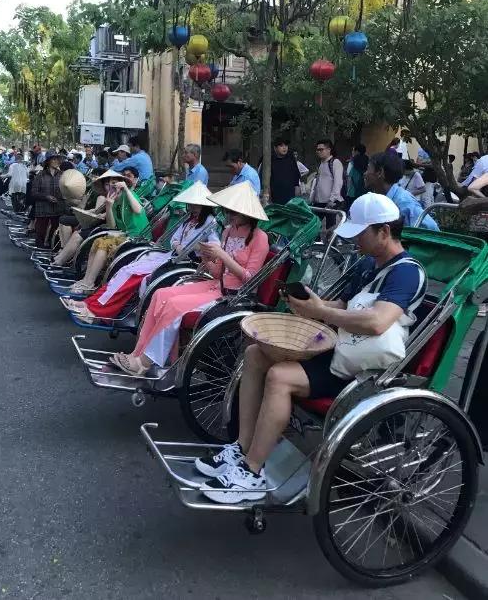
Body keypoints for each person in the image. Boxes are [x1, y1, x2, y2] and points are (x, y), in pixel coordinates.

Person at [196, 193, 427, 502]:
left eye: (361, 233)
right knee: (254, 354)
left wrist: (322, 312)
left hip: (363, 369)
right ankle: (243, 446)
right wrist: (309, 305)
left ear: (383, 232)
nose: (355, 240)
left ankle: (252, 470)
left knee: (280, 376)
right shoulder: (366, 265)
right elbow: (340, 306)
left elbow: (377, 322)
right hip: (340, 348)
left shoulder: (407, 271)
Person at [109, 181, 269, 376]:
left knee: (175, 306)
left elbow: (250, 279)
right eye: (227, 211)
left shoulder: (260, 238)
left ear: (248, 213)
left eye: (233, 212)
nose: (229, 215)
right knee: (160, 294)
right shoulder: (228, 231)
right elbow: (218, 273)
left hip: (235, 295)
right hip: (216, 284)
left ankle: (146, 362)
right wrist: (206, 256)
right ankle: (138, 353)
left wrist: (222, 254)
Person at [66, 182, 220, 321]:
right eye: (191, 204)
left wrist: (194, 247)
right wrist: (178, 245)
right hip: (171, 255)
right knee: (125, 269)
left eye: (196, 205)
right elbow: (174, 239)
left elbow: (214, 245)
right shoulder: (189, 220)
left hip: (185, 262)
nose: (192, 208)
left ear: (204, 206)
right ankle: (91, 303)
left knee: (133, 275)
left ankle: (98, 310)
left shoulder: (209, 222)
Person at [68, 167, 149, 293]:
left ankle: (89, 283)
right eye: (107, 184)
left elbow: (138, 210)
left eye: (114, 183)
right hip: (124, 235)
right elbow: (111, 225)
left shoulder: (129, 195)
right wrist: (109, 206)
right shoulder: (112, 200)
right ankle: (86, 280)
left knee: (104, 244)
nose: (111, 187)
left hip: (139, 237)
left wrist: (126, 189)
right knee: (97, 241)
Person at [364, 152, 439, 230]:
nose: (365, 173)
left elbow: (432, 229)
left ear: (379, 172)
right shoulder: (379, 197)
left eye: (368, 168)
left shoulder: (404, 204)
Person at [30, 150, 65, 248]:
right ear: (48, 161)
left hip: (57, 208)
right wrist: (46, 197)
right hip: (43, 209)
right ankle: (39, 252)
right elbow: (34, 193)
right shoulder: (40, 175)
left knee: (55, 235)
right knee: (40, 233)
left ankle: (52, 254)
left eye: (57, 159)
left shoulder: (62, 175)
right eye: (54, 159)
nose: (56, 161)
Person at [309, 139, 344, 228]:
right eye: (317, 150)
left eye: (321, 149)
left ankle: (332, 242)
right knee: (314, 227)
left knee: (331, 228)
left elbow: (338, 182)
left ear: (329, 149)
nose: (319, 152)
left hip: (330, 202)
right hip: (318, 202)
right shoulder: (321, 164)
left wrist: (332, 199)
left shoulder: (335, 163)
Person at [260, 138, 301, 205]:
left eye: (286, 145)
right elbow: (264, 178)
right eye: (281, 146)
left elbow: (296, 176)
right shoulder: (269, 160)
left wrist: (297, 190)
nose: (284, 148)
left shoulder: (291, 158)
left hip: (290, 197)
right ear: (275, 148)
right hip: (274, 198)